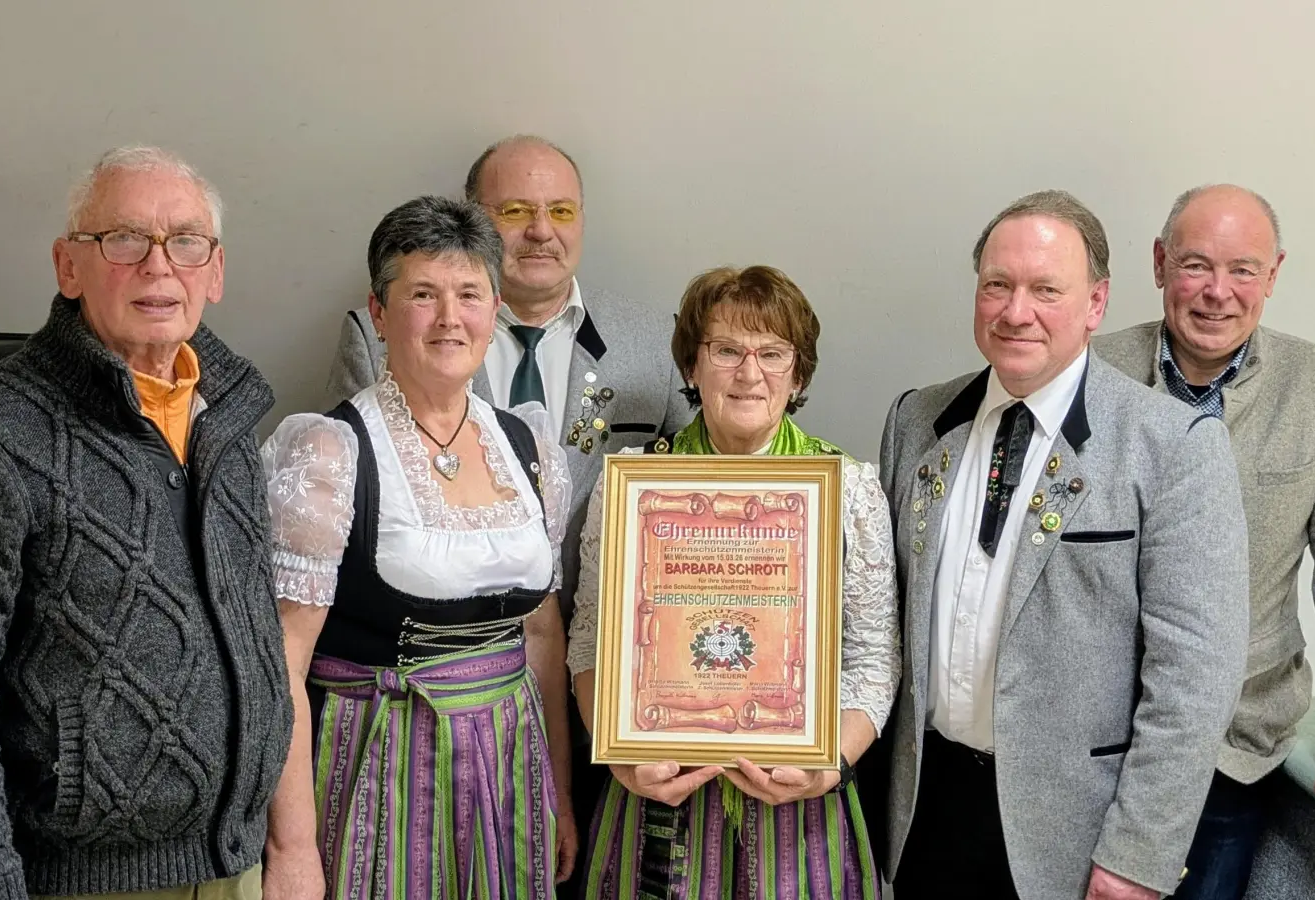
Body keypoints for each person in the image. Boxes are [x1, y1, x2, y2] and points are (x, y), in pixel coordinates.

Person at [0, 146, 290, 900]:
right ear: (67, 266)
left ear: (215, 270)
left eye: (185, 241)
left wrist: (283, 842)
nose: (158, 266)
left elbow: (260, 637)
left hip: (236, 866)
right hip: (86, 880)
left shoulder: (233, 412)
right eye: (123, 239)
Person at [326, 134, 693, 885]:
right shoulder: (375, 340)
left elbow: (689, 500)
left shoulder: (653, 343)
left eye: (561, 209)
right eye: (516, 210)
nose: (541, 230)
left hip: (597, 683)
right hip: (404, 714)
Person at [868, 190, 1251, 900]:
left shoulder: (1172, 446)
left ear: (1096, 304)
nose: (1017, 312)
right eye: (998, 286)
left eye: (1047, 289)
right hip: (924, 809)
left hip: (1074, 835)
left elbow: (1196, 681)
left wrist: (1137, 855)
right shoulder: (917, 419)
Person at [1092, 184, 1315, 899]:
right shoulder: (1089, 371)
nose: (1217, 292)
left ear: (1273, 275)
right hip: (1090, 738)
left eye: (1243, 270)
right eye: (1196, 265)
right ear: (1158, 264)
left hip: (1231, 749)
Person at [261, 196, 577, 899]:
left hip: (509, 767)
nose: (448, 318)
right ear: (378, 313)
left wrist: (559, 785)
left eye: (468, 294)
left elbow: (543, 635)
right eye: (422, 295)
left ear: (493, 309)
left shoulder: (528, 448)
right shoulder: (329, 452)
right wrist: (292, 847)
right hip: (378, 761)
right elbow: (280, 664)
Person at [566, 265, 900, 899]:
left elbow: (874, 658)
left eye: (773, 353)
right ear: (692, 367)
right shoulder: (632, 484)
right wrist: (616, 752)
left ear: (798, 374)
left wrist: (828, 767)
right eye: (726, 350)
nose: (750, 373)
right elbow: (589, 639)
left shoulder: (848, 489)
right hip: (655, 802)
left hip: (798, 809)